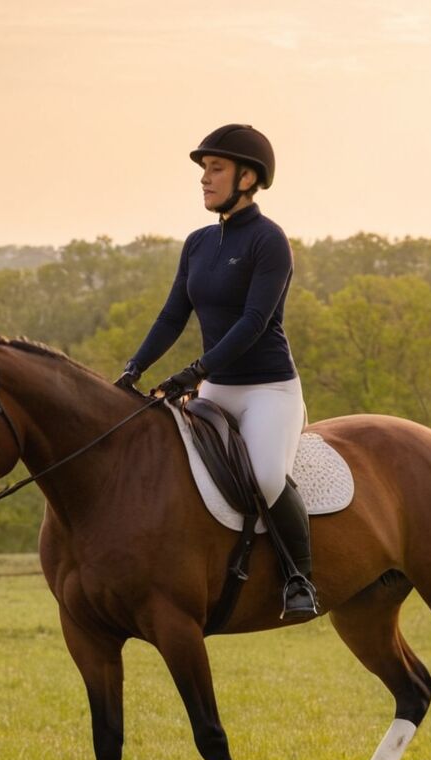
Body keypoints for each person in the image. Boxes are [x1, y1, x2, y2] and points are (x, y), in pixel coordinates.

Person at [114, 124, 318, 620]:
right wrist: (133, 369)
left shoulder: (269, 242)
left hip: (268, 390)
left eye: (216, 169)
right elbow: (171, 316)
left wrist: (192, 372)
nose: (204, 179)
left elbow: (254, 322)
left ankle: (299, 580)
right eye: (204, 170)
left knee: (267, 477)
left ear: (248, 177)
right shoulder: (198, 243)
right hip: (216, 388)